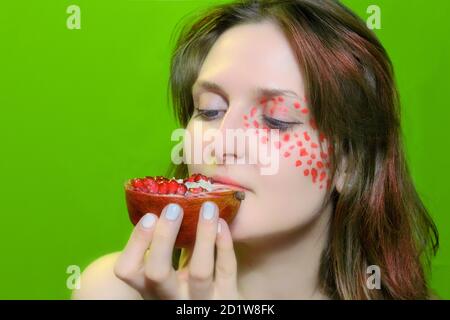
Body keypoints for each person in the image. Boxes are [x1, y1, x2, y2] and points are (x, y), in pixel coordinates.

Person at [72, 0, 439, 300]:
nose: (224, 139)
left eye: (276, 119)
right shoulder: (112, 290)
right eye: (210, 110)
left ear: (350, 162)